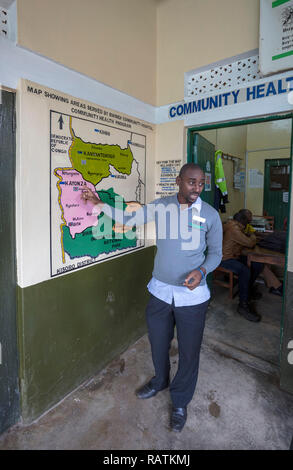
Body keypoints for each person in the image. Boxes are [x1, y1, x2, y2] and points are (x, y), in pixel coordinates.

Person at [81, 163, 223, 432]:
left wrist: (202, 270)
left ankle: (180, 401)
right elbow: (129, 219)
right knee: (158, 343)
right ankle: (160, 381)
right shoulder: (161, 206)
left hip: (192, 298)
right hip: (160, 292)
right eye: (191, 182)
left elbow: (216, 253)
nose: (197, 187)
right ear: (179, 181)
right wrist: (100, 204)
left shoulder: (211, 215)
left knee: (189, 353)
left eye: (201, 183)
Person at [220, 211, 263, 322]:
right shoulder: (234, 229)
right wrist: (253, 235)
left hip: (233, 256)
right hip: (224, 259)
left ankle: (247, 290)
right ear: (243, 220)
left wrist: (247, 234)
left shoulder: (234, 225)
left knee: (257, 264)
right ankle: (242, 305)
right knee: (245, 271)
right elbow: (250, 243)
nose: (251, 219)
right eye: (250, 218)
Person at [239, 209, 283, 296]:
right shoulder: (238, 228)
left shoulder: (247, 225)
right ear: (244, 217)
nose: (251, 218)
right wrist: (253, 237)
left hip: (245, 251)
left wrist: (269, 235)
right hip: (238, 254)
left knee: (261, 263)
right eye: (250, 216)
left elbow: (255, 233)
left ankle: (276, 285)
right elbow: (250, 241)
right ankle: (276, 286)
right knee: (259, 263)